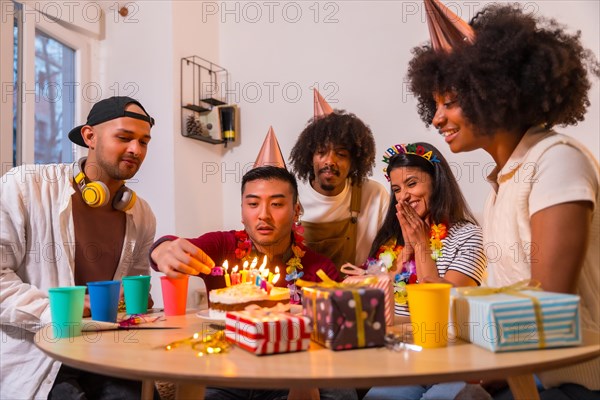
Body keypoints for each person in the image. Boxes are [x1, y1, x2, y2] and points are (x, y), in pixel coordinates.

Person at [407, 3, 599, 399]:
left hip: (571, 381)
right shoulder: (502, 184)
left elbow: (550, 311)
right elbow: (499, 301)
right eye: (436, 104)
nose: (437, 119)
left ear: (494, 93)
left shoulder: (557, 160)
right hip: (522, 371)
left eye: (450, 101)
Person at [151, 165, 355, 400]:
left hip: (289, 375)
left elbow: (339, 334)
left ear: (296, 210)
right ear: (242, 211)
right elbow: (172, 249)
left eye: (277, 204)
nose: (263, 215)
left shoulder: (320, 270)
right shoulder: (222, 246)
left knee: (342, 390)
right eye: (253, 203)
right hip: (225, 371)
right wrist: (162, 249)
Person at [0, 96, 158, 399]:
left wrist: (138, 301)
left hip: (110, 353)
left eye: (144, 141)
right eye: (124, 137)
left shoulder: (142, 214)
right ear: (90, 136)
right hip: (41, 356)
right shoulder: (25, 186)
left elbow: (135, 291)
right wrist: (64, 311)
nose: (136, 150)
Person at [363, 142, 488, 400]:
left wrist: (421, 246)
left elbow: (446, 307)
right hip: (401, 363)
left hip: (450, 362)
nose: (404, 196)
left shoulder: (468, 236)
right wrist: (406, 252)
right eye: (397, 189)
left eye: (412, 184)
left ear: (436, 182)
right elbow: (374, 312)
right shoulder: (391, 244)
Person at [289, 111, 389, 270]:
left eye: (341, 154)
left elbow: (390, 256)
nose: (330, 161)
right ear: (309, 157)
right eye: (321, 152)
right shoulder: (291, 197)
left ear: (354, 162)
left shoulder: (374, 195)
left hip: (356, 292)